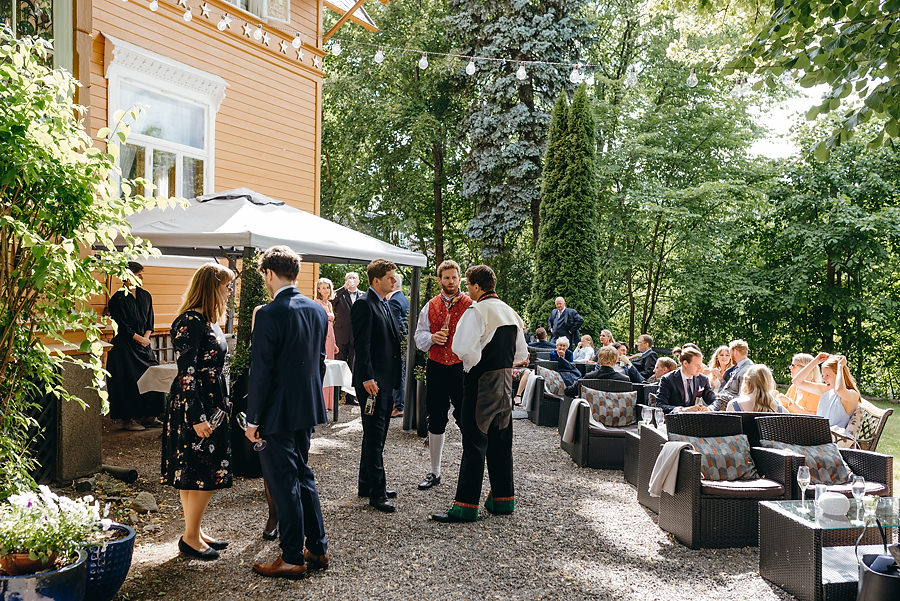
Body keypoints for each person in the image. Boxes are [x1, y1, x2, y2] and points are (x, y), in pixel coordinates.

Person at [245, 246, 329, 579]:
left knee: (284, 482)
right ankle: (318, 548)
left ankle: (293, 555)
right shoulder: (317, 309)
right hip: (306, 406)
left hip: (276, 412)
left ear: (268, 273)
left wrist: (252, 419)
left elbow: (261, 370)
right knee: (303, 475)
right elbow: (319, 362)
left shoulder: (268, 313)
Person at [431, 264, 527, 523]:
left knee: (474, 442)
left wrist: (472, 366)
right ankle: (503, 499)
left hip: (481, 383)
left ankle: (465, 505)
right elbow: (521, 354)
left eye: (469, 285)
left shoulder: (477, 311)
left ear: (475, 285)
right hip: (505, 384)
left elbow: (463, 349)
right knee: (501, 441)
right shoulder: (510, 312)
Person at [161, 263, 235, 561]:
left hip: (211, 401)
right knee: (204, 468)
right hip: (196, 405)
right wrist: (197, 417)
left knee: (195, 469)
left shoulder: (207, 321)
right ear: (211, 286)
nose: (230, 290)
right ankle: (190, 537)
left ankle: (194, 531)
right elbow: (187, 373)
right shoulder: (189, 322)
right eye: (226, 285)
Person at [413, 260, 472, 491]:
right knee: (436, 418)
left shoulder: (470, 304)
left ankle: (468, 472)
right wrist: (432, 338)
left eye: (454, 277)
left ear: (459, 279)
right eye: (446, 278)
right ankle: (435, 472)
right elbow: (419, 337)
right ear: (440, 280)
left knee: (466, 417)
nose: (450, 281)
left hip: (461, 367)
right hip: (436, 366)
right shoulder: (430, 305)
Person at [352, 258, 403, 512]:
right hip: (372, 383)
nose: (395, 281)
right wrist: (367, 377)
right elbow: (361, 346)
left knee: (377, 436)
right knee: (374, 436)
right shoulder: (364, 304)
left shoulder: (385, 303)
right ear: (376, 280)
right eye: (390, 277)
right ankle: (377, 494)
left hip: (385, 380)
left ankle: (366, 484)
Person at [106, 261, 164, 431]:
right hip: (125, 348)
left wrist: (146, 338)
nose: (142, 277)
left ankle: (150, 416)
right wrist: (139, 338)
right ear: (128, 276)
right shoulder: (117, 299)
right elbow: (123, 327)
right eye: (138, 274)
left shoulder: (146, 295)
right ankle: (128, 419)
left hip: (143, 345)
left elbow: (149, 321)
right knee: (129, 382)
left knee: (153, 374)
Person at [791, 352, 860, 429]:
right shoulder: (827, 390)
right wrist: (815, 361)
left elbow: (840, 390)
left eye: (828, 375)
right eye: (823, 375)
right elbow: (797, 381)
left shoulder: (853, 395)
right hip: (816, 434)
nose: (824, 379)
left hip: (833, 438)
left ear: (839, 375)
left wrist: (840, 366)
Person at [655, 347, 716, 414]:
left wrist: (709, 409)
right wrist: (682, 410)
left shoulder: (703, 379)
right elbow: (660, 405)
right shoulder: (668, 379)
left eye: (700, 365)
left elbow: (714, 400)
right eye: (697, 365)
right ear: (685, 363)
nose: (700, 368)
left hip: (697, 420)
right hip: (673, 420)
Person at [333, 271, 363, 404]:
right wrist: (343, 288)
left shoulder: (363, 295)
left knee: (353, 366)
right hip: (341, 335)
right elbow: (331, 301)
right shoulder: (340, 294)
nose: (351, 280)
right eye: (349, 278)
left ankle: (351, 396)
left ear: (358, 281)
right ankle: (336, 395)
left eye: (354, 278)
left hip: (356, 336)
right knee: (338, 364)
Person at [564, 345, 631, 397]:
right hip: (617, 414)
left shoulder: (589, 377)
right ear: (616, 360)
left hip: (590, 414)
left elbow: (569, 392)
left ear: (599, 359)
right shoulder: (624, 379)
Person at [388, 272, 410, 418]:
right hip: (405, 343)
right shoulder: (403, 299)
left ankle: (399, 406)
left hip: (398, 344)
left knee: (399, 374)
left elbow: (398, 325)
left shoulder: (394, 301)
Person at [314, 277, 337, 411]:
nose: (325, 290)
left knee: (330, 370)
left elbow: (331, 324)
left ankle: (328, 403)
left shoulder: (329, 304)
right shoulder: (316, 303)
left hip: (331, 337)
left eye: (327, 287)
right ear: (318, 290)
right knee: (321, 368)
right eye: (322, 287)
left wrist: (334, 343)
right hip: (321, 337)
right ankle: (319, 402)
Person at [711, 339, 754, 410]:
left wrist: (720, 396)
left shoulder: (747, 370)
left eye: (730, 353)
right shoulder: (738, 367)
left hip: (731, 406)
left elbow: (743, 396)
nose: (730, 356)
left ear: (735, 352)